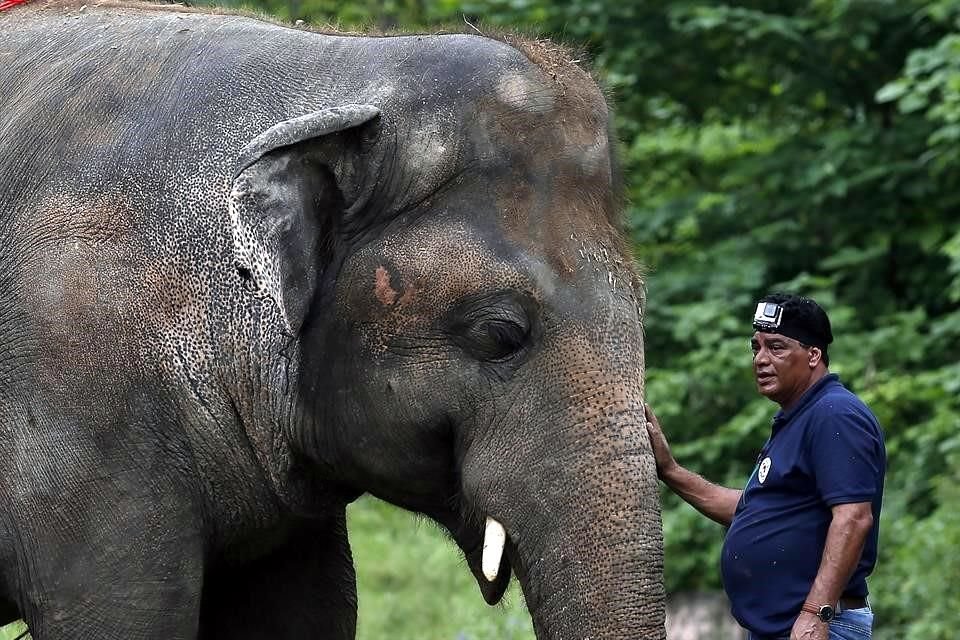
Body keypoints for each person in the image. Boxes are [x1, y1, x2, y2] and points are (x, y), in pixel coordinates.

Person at [645, 293, 885, 640]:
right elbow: (750, 510)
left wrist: (815, 613)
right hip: (781, 627)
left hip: (818, 627)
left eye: (776, 347)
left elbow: (854, 518)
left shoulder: (835, 414)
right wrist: (671, 470)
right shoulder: (796, 420)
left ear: (813, 355)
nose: (760, 359)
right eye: (756, 347)